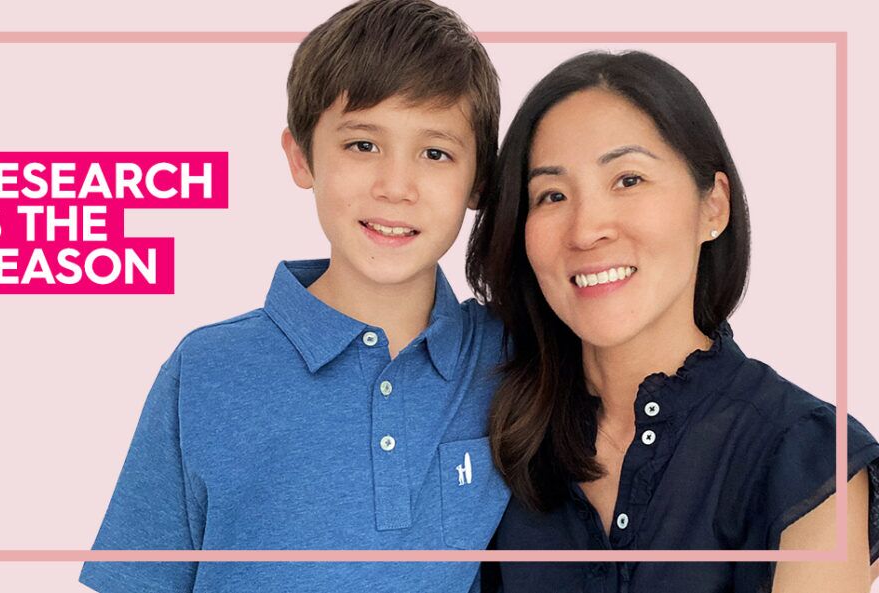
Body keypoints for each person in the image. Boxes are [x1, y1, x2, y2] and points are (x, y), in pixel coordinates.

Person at [79, 1, 509, 592]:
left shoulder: (509, 359)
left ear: (479, 180)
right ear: (301, 157)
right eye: (363, 145)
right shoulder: (205, 371)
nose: (396, 187)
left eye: (435, 153)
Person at [466, 50, 879, 592]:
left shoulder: (807, 458)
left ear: (714, 207)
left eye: (628, 179)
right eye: (553, 195)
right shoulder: (486, 431)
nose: (586, 229)